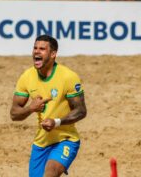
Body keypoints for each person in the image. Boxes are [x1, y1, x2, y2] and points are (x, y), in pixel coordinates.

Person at [10, 35, 87, 177]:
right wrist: (30, 108)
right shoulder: (26, 76)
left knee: (50, 173)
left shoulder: (68, 77)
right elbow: (14, 114)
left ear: (53, 54)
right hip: (41, 142)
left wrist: (56, 122)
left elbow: (81, 111)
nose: (36, 52)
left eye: (42, 49)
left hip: (66, 139)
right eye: (35, 48)